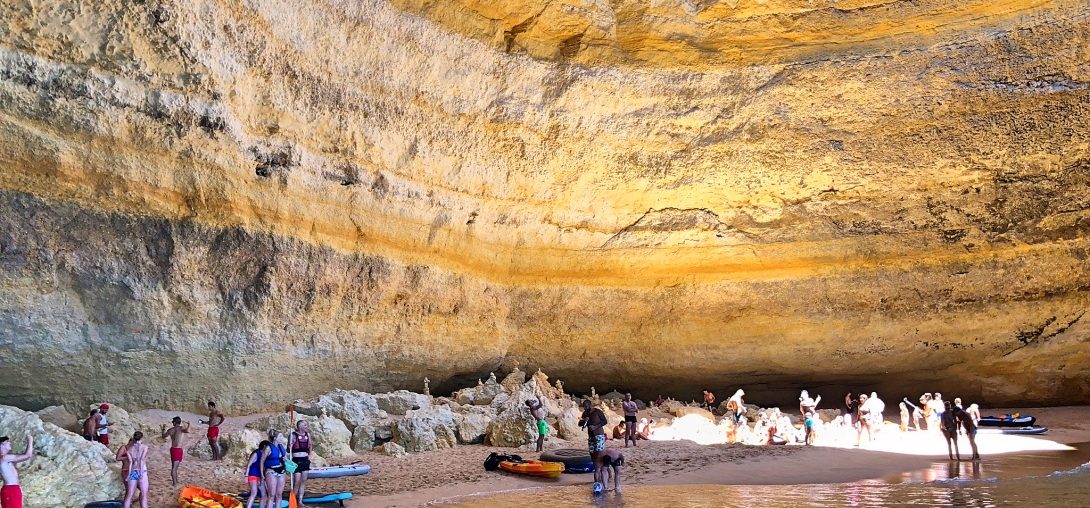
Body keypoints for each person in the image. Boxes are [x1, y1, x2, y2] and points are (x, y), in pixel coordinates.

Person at [579, 399, 607, 489]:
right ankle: (597, 476)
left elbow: (605, 421)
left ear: (590, 405)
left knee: (600, 455)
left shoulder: (597, 411)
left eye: (586, 406)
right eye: (584, 407)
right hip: (591, 437)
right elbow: (579, 423)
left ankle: (604, 474)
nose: (585, 408)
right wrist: (584, 421)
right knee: (592, 455)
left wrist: (595, 426)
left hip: (599, 435)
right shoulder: (585, 413)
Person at [1, 433, 33, 508]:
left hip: (12, 489)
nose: (9, 443)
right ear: (1, 445)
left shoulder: (6, 459)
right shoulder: (4, 458)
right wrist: (30, 441)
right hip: (10, 490)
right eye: (7, 442)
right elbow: (27, 455)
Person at [261, 430, 287, 508]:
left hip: (281, 470)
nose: (282, 438)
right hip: (271, 471)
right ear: (275, 438)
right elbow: (262, 461)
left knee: (279, 495)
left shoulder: (281, 446)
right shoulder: (268, 448)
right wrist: (262, 474)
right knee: (272, 495)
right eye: (280, 436)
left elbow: (284, 458)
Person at [122, 431, 148, 508]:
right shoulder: (144, 447)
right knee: (144, 495)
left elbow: (130, 463)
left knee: (129, 495)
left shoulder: (129, 450)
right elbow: (142, 460)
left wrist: (128, 475)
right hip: (142, 471)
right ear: (141, 438)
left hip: (133, 471)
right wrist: (141, 473)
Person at [161, 417, 190, 486]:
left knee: (174, 466)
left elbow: (163, 436)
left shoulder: (170, 430)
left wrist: (163, 429)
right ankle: (175, 483)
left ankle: (176, 481)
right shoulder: (181, 428)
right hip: (178, 449)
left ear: (174, 422)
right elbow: (187, 431)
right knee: (174, 468)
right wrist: (189, 424)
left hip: (173, 449)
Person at [289, 420, 313, 502]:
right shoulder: (293, 435)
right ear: (300, 426)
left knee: (303, 481)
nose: (307, 426)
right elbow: (289, 449)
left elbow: (310, 445)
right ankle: (293, 501)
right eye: (305, 425)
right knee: (297, 482)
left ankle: (300, 501)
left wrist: (309, 455)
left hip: (305, 460)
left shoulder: (307, 435)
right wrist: (290, 445)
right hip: (296, 461)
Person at [244, 440, 270, 508]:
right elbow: (248, 465)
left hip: (260, 476)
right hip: (252, 475)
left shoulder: (266, 455)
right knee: (254, 493)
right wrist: (246, 476)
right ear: (264, 446)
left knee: (264, 495)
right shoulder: (256, 453)